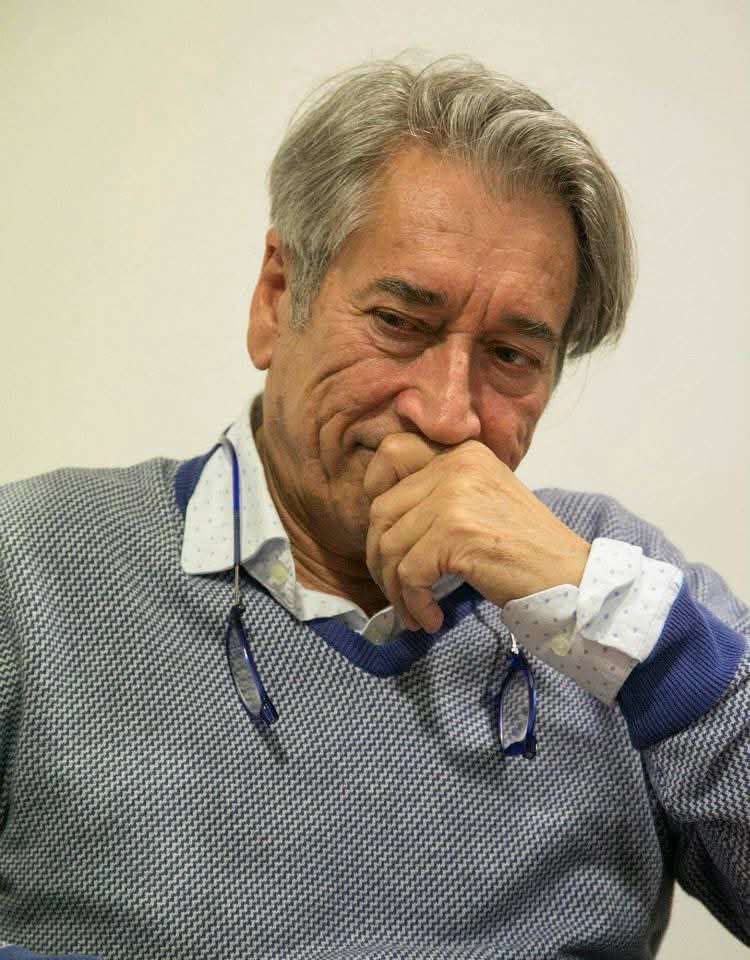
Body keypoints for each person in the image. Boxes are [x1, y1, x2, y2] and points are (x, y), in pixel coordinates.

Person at [0, 57, 747, 960]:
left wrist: (616, 625)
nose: (448, 414)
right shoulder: (29, 565)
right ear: (277, 297)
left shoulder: (622, 587)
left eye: (511, 355)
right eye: (399, 322)